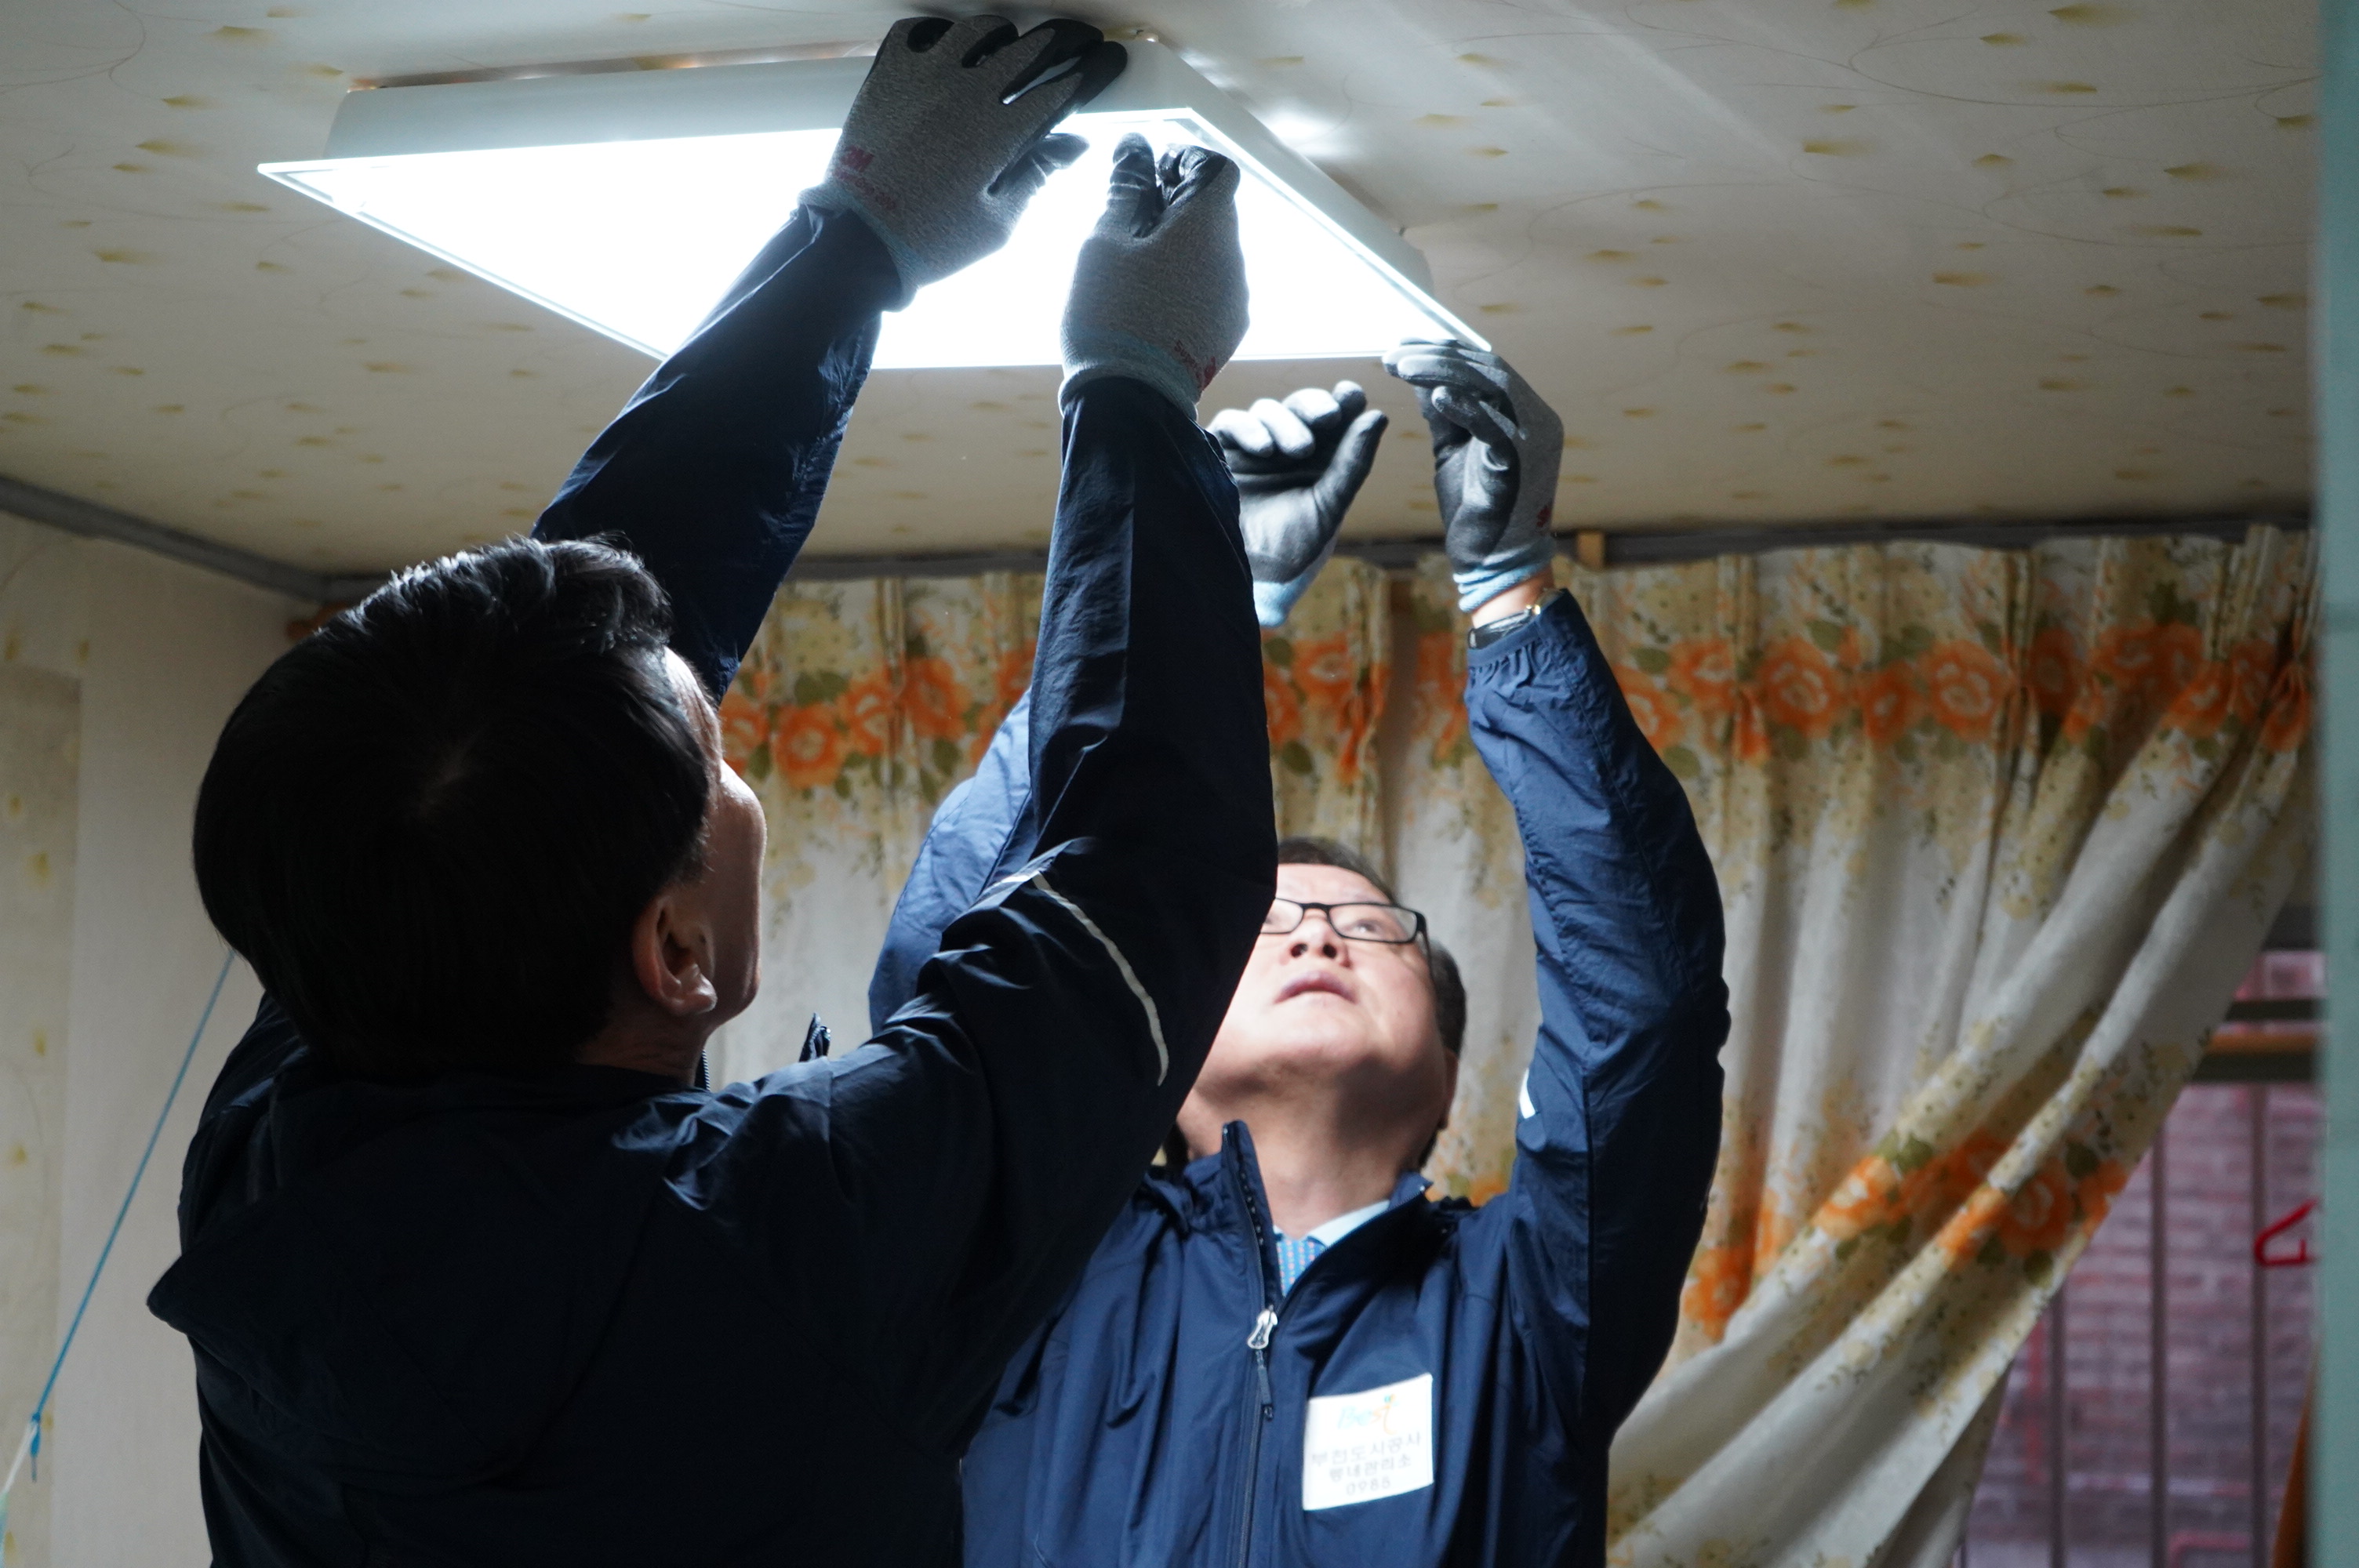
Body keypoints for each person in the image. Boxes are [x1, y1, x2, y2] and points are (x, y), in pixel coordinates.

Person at [147, 19, 1277, 1564]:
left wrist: (855, 244)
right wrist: (1137, 397)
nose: (731, 762)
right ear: (672, 949)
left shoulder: (294, 1152)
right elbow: (1136, 885)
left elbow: (562, 665)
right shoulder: (774, 1248)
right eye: (723, 764)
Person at [871, 342, 1731, 1566]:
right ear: (1168, 1051)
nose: (1320, 932)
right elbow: (955, 984)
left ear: (1448, 1073)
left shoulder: (1531, 1304)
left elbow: (1642, 1016)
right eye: (1262, 929)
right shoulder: (1034, 1272)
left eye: (1373, 929)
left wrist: (1511, 592)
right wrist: (1189, 604)